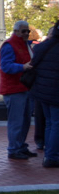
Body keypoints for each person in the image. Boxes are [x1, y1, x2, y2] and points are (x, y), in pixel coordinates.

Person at [0, 20, 37, 160]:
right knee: (16, 121)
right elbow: (6, 66)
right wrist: (23, 67)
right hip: (14, 89)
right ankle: (14, 149)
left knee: (25, 120)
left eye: (28, 31)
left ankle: (20, 146)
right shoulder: (9, 45)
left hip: (25, 88)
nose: (26, 33)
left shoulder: (25, 45)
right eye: (23, 31)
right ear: (16, 32)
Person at [29, 22, 59, 168]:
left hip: (42, 91)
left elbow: (33, 65)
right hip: (54, 91)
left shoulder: (41, 47)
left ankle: (49, 153)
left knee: (49, 123)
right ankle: (52, 156)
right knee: (55, 123)